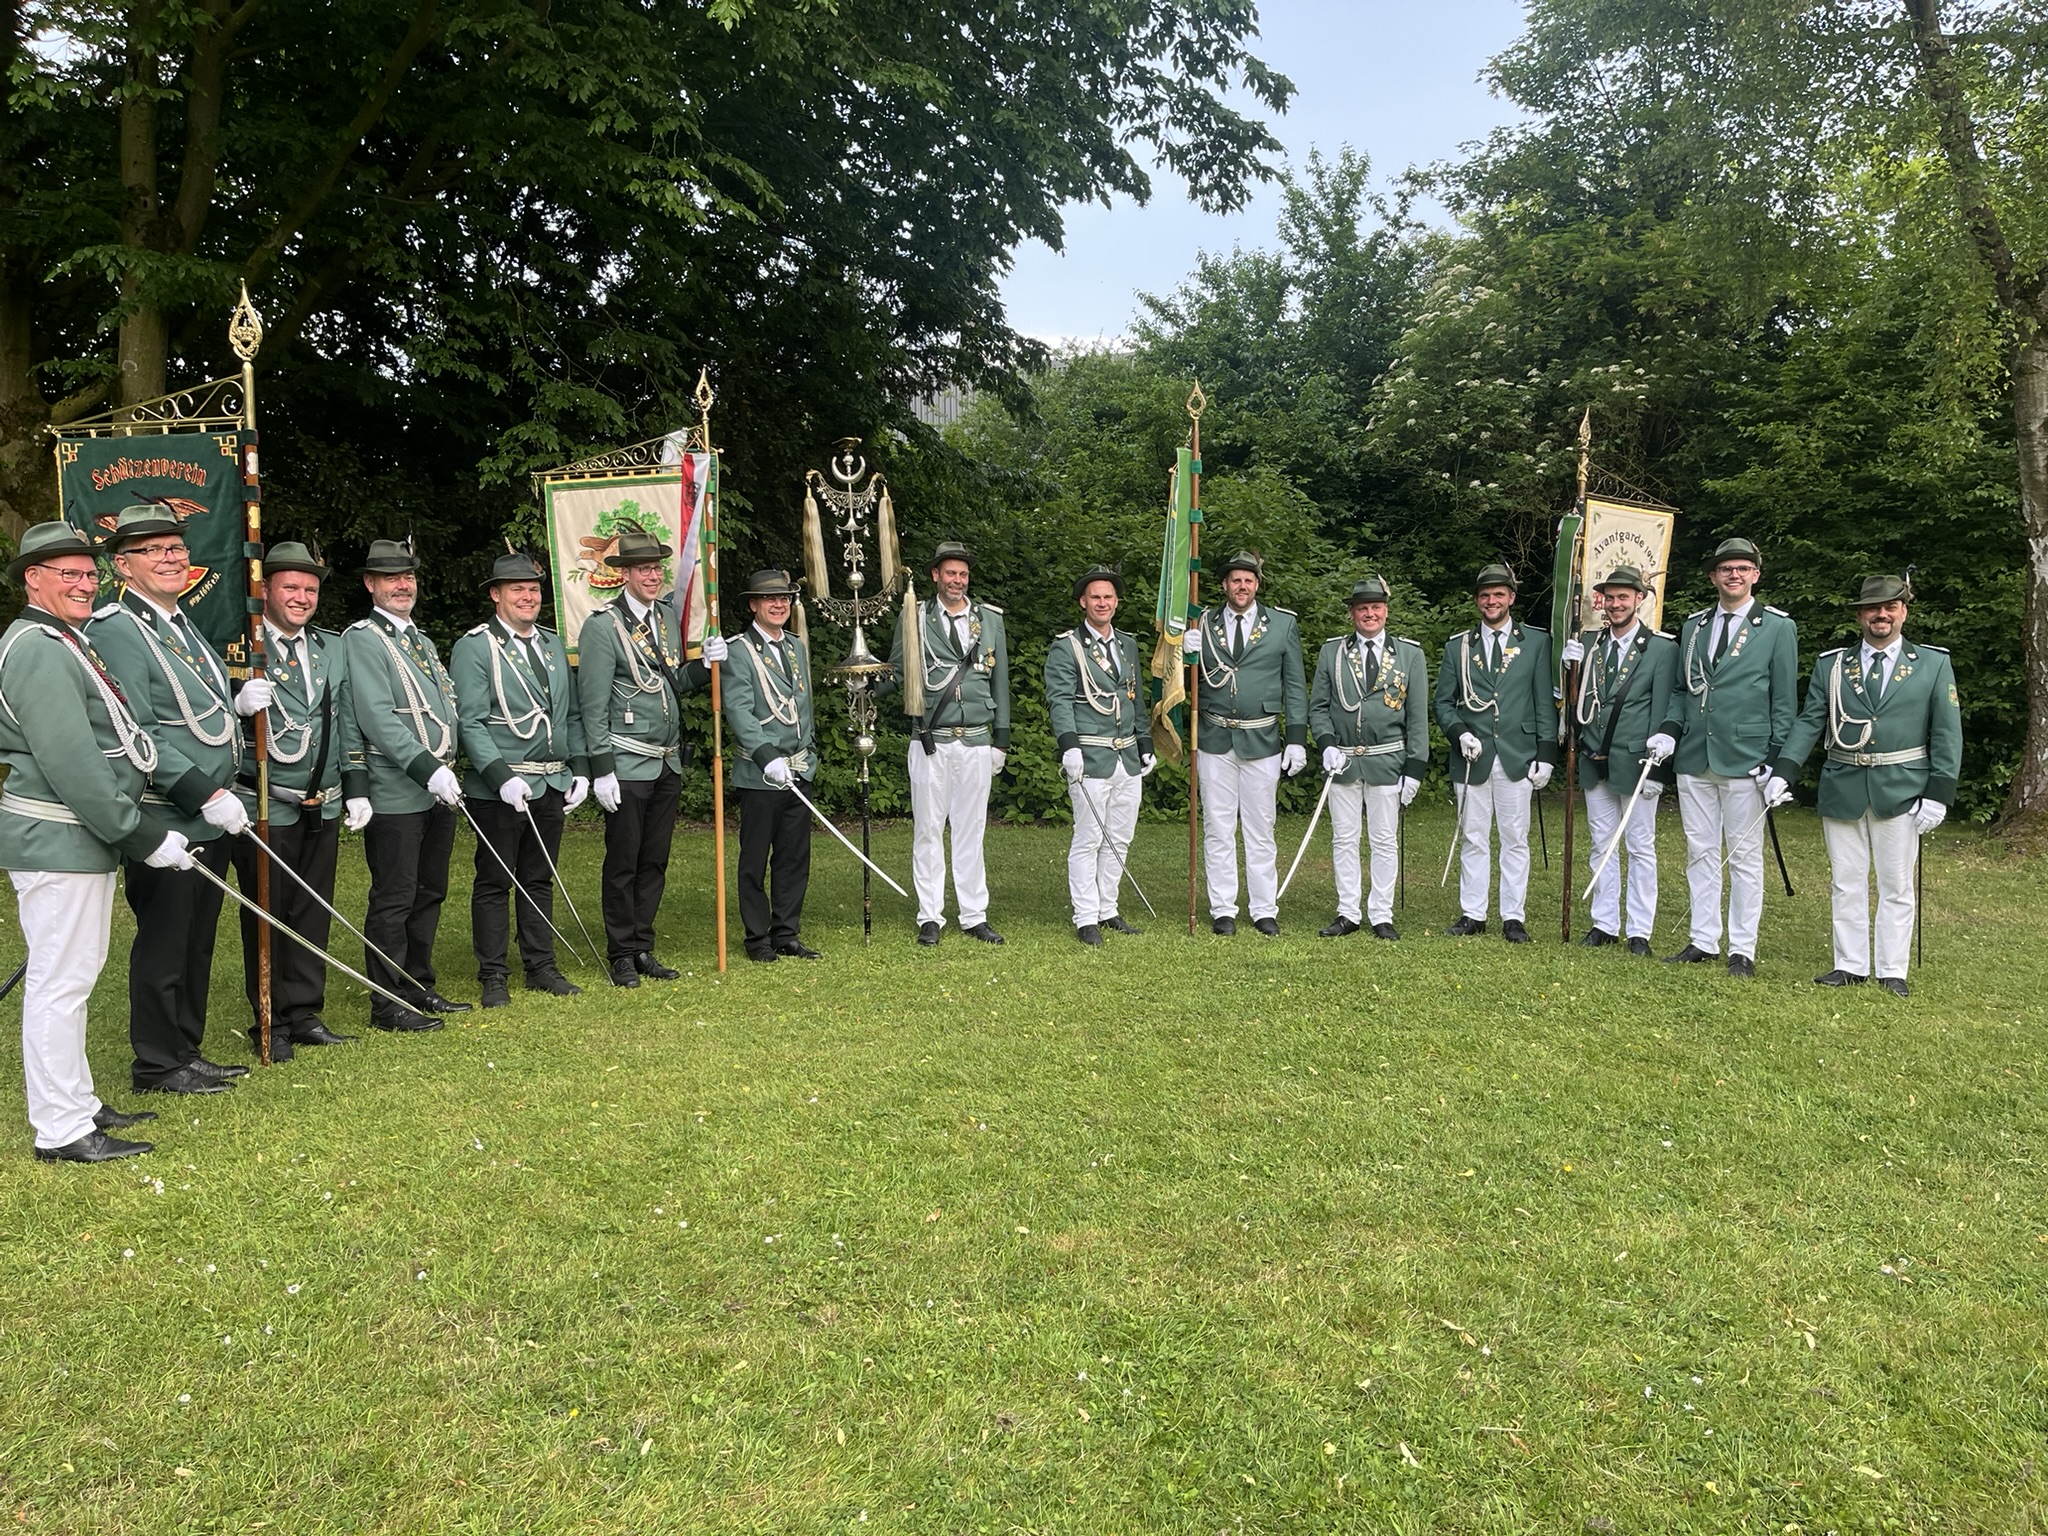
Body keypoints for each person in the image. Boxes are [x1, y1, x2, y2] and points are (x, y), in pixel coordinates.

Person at [1, 521, 188, 1160]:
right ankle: (60, 1129)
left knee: (73, 977)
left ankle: (77, 1102)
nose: (85, 584)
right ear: (33, 579)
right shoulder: (38, 647)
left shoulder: (63, 639)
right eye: (69, 574)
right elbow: (72, 762)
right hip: (58, 835)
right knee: (59, 984)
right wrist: (139, 833)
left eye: (89, 573)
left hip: (76, 837)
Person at [87, 505, 255, 1093]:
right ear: (122, 565)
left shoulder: (180, 622)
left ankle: (186, 1048)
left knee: (196, 941)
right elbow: (138, 727)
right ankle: (157, 1063)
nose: (170, 558)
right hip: (168, 814)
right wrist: (204, 791)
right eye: (153, 550)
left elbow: (193, 704)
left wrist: (234, 700)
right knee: (164, 943)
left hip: (208, 813)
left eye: (177, 548)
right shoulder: (117, 628)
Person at [1766, 573, 1961, 997]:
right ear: (1860, 616)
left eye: (1890, 607)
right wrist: (1784, 770)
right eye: (1873, 608)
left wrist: (1939, 794)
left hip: (1903, 787)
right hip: (1844, 784)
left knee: (1896, 884)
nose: (1881, 615)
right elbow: (1810, 721)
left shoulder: (1932, 664)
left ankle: (1892, 969)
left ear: (1903, 611)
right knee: (1845, 880)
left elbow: (1947, 733)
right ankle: (1850, 964)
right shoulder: (1833, 665)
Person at [226, 541, 368, 1062]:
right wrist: (237, 704)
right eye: (290, 586)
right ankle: (271, 1018)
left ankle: (305, 1011)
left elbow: (344, 718)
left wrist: (355, 785)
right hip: (266, 800)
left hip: (321, 801)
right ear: (265, 590)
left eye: (310, 589)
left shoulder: (331, 647)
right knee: (268, 912)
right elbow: (205, 713)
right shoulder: (241, 644)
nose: (301, 597)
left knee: (312, 910)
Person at [576, 525, 722, 986]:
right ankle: (621, 952)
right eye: (643, 569)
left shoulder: (665, 619)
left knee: (654, 860)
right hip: (626, 761)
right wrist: (601, 769)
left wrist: (706, 665)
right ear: (624, 575)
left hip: (666, 760)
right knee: (624, 862)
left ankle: (642, 946)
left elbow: (673, 683)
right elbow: (592, 705)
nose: (653, 576)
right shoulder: (603, 627)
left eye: (657, 568)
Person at [453, 549, 591, 1007]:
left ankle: (541, 966)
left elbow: (571, 714)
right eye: (518, 590)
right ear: (496, 595)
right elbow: (471, 722)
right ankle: (493, 974)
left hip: (551, 782)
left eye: (533, 589)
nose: (528, 597)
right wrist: (500, 776)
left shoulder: (552, 644)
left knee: (539, 878)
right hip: (501, 788)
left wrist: (579, 769)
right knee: (494, 881)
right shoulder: (476, 646)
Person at [343, 537, 470, 1030]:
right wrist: (428, 769)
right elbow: (377, 718)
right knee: (394, 896)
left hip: (434, 787)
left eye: (409, 576)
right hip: (398, 788)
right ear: (370, 584)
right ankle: (387, 1000)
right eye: (391, 578)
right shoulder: (364, 639)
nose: (403, 585)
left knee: (429, 891)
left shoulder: (420, 641)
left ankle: (418, 984)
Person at [1668, 536, 1799, 977]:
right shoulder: (1694, 626)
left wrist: (1777, 760)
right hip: (1695, 754)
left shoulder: (1776, 627)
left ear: (1755, 575)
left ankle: (1742, 948)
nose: (1734, 575)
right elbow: (1682, 689)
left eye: (1743, 568)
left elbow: (1784, 701)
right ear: (1713, 577)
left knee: (1743, 857)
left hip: (1747, 756)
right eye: (1726, 569)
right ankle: (1703, 939)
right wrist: (1670, 731)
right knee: (1700, 851)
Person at [888, 540, 1010, 946]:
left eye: (963, 574)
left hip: (976, 739)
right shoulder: (915, 616)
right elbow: (898, 670)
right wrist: (866, 681)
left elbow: (1000, 681)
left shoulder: (989, 619)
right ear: (935, 575)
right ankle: (930, 916)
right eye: (950, 573)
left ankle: (974, 915)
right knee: (927, 829)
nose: (957, 580)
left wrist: (1001, 739)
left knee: (971, 831)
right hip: (931, 739)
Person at [1181, 550, 1308, 936]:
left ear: (1257, 584)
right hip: (1214, 737)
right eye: (1235, 580)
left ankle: (1264, 908)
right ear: (1224, 585)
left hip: (1262, 738)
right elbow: (1188, 686)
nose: (1242, 586)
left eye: (1248, 580)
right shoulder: (1202, 623)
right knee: (1218, 826)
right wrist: (1185, 655)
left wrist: (1296, 740)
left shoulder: (1282, 624)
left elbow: (1294, 685)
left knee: (1260, 827)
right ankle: (1223, 908)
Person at [1432, 563, 1558, 942]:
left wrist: (1547, 753)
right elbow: (1443, 703)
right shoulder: (1459, 646)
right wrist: (1459, 733)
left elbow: (1543, 701)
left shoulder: (1535, 642)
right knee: (1473, 837)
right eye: (1485, 595)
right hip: (1472, 756)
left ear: (1511, 598)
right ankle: (1473, 913)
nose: (1492, 601)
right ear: (1477, 600)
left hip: (1517, 753)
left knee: (1514, 838)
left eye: (1499, 594)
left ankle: (1513, 916)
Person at [1559, 564, 1679, 956]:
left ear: (1639, 599)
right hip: (1594, 756)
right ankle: (1604, 923)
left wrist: (1658, 769)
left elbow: (1663, 708)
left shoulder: (1661, 648)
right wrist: (1566, 667)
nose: (1615, 604)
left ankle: (1639, 930)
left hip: (1637, 760)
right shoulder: (1590, 643)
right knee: (1601, 843)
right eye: (1609, 598)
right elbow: (1572, 700)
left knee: (1640, 846)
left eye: (1623, 597)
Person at [1307, 575, 1428, 940]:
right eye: (1362, 608)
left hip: (1387, 760)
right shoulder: (1332, 652)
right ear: (1352, 614)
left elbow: (1417, 718)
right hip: (1342, 760)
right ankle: (1348, 912)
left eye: (1376, 607)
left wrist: (1415, 769)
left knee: (1384, 840)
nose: (1370, 614)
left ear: (1386, 611)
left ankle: (1381, 914)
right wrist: (1326, 744)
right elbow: (1319, 707)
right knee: (1344, 839)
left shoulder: (1409, 654)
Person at [1045, 565, 1152, 946]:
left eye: (1108, 597)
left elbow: (1134, 697)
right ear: (1083, 602)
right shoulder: (1067, 647)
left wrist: (1145, 743)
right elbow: (1059, 700)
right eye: (1095, 597)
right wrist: (1069, 746)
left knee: (1119, 838)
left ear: (1116, 602)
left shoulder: (1127, 645)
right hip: (1090, 756)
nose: (1102, 603)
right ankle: (1086, 916)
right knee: (1088, 838)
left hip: (1126, 757)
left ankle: (1108, 908)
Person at [720, 569, 819, 962]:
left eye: (785, 598)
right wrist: (767, 757)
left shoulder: (795, 646)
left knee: (793, 857)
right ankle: (757, 937)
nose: (779, 604)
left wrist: (808, 751)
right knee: (755, 858)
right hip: (761, 773)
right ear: (753, 605)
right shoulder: (739, 650)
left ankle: (786, 933)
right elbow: (739, 711)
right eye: (770, 599)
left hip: (798, 768)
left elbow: (803, 707)